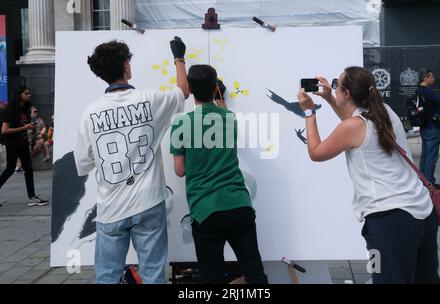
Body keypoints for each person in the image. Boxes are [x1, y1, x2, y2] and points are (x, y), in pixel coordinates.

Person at [297, 66, 440, 284]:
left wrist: (309, 112)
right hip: (422, 212)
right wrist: (328, 98)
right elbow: (352, 120)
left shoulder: (354, 126)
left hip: (388, 222)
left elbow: (316, 153)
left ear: (346, 94)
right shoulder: (383, 111)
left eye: (337, 85)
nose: (333, 88)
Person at [74, 37, 190, 284]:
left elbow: (83, 163)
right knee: (153, 275)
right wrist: (179, 57)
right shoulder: (150, 100)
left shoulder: (90, 113)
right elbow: (183, 91)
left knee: (107, 277)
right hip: (148, 202)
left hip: (110, 207)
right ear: (126, 66)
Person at [170, 65, 268, 284]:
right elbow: (222, 114)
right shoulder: (230, 118)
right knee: (254, 272)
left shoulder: (181, 123)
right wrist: (220, 96)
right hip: (239, 205)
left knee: (211, 277)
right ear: (215, 88)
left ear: (190, 90)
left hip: (206, 210)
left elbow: (179, 170)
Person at [0, 86, 48, 206]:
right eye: (26, 93)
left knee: (29, 169)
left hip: (23, 143)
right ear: (19, 94)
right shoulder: (10, 110)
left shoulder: (25, 110)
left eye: (29, 93)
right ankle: (32, 196)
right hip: (13, 144)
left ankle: (32, 196)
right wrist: (24, 128)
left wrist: (30, 127)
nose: (29, 95)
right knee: (10, 169)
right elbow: (4, 130)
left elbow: (24, 125)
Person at [417, 69, 440, 191]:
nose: (433, 79)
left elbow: (433, 103)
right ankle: (429, 182)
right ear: (426, 78)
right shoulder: (428, 91)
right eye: (432, 77)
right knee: (431, 155)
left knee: (425, 154)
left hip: (424, 126)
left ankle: (423, 180)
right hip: (432, 127)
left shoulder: (419, 90)